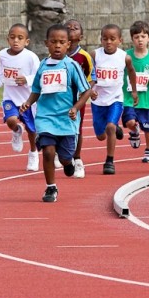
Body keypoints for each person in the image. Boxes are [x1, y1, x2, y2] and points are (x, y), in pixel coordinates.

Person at [19, 24, 91, 202]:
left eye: (61, 42)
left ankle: (69, 162)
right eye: (53, 42)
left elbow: (86, 91)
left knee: (65, 158)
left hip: (66, 120)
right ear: (46, 43)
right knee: (48, 152)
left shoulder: (72, 66)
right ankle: (51, 187)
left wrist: (75, 108)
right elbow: (36, 90)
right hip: (45, 117)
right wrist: (28, 102)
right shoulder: (43, 66)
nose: (57, 46)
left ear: (68, 44)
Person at [90, 24, 138, 175]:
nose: (108, 42)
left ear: (120, 40)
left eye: (112, 39)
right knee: (100, 136)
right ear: (101, 40)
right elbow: (86, 73)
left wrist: (134, 91)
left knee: (110, 127)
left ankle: (109, 162)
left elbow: (131, 72)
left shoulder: (124, 57)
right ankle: (116, 128)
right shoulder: (95, 55)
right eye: (105, 39)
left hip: (115, 99)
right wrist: (89, 90)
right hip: (98, 100)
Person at [0, 23, 41, 171]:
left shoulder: (31, 57)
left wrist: (27, 79)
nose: (16, 41)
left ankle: (33, 152)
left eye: (20, 38)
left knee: (31, 130)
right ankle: (16, 131)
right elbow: (2, 69)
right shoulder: (2, 54)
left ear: (26, 41)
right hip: (10, 97)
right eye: (12, 37)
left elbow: (39, 75)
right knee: (11, 120)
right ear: (8, 39)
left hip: (27, 100)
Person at [122, 21, 149, 163]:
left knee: (148, 128)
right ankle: (134, 130)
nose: (140, 40)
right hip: (128, 98)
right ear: (132, 39)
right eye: (136, 37)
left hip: (145, 100)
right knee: (130, 121)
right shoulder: (125, 56)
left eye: (143, 36)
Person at [65, 19, 95, 178]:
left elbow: (92, 77)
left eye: (75, 28)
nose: (71, 29)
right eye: (68, 27)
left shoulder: (84, 56)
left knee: (77, 129)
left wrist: (87, 92)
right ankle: (60, 153)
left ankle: (77, 159)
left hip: (77, 100)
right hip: (59, 100)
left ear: (81, 37)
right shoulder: (56, 55)